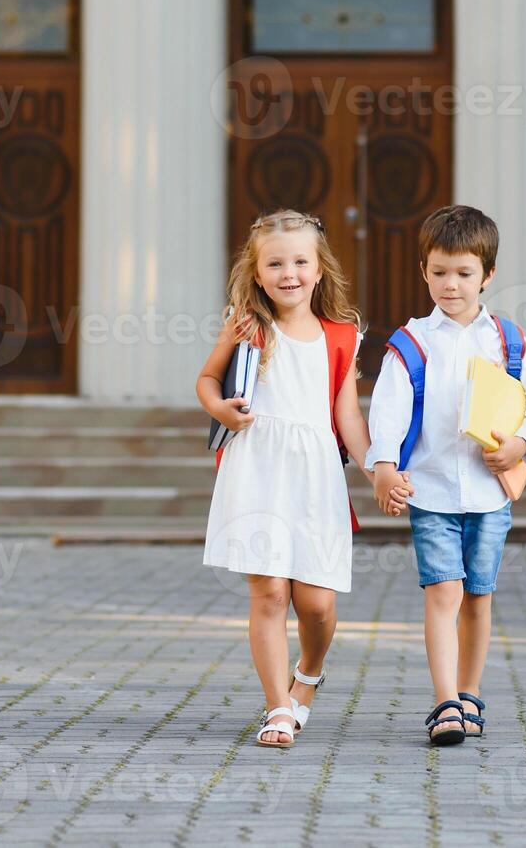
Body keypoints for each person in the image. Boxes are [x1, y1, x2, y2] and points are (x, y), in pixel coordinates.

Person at [366, 205, 526, 745]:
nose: (449, 285)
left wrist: (523, 443)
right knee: (443, 593)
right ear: (423, 271)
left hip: (488, 495)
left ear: (488, 275)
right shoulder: (412, 343)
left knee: (478, 595)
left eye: (463, 273)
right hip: (430, 492)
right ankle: (445, 702)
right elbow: (388, 408)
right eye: (438, 272)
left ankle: (470, 693)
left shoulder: (508, 342)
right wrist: (384, 466)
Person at [198, 209, 374, 748]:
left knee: (317, 604)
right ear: (256, 272)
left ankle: (309, 674)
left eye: (300, 262)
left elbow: (346, 415)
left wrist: (379, 471)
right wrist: (222, 410)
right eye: (275, 263)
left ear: (320, 270)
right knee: (270, 593)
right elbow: (208, 379)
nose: (289, 273)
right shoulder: (247, 325)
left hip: (314, 475)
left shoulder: (341, 336)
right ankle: (278, 706)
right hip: (256, 470)